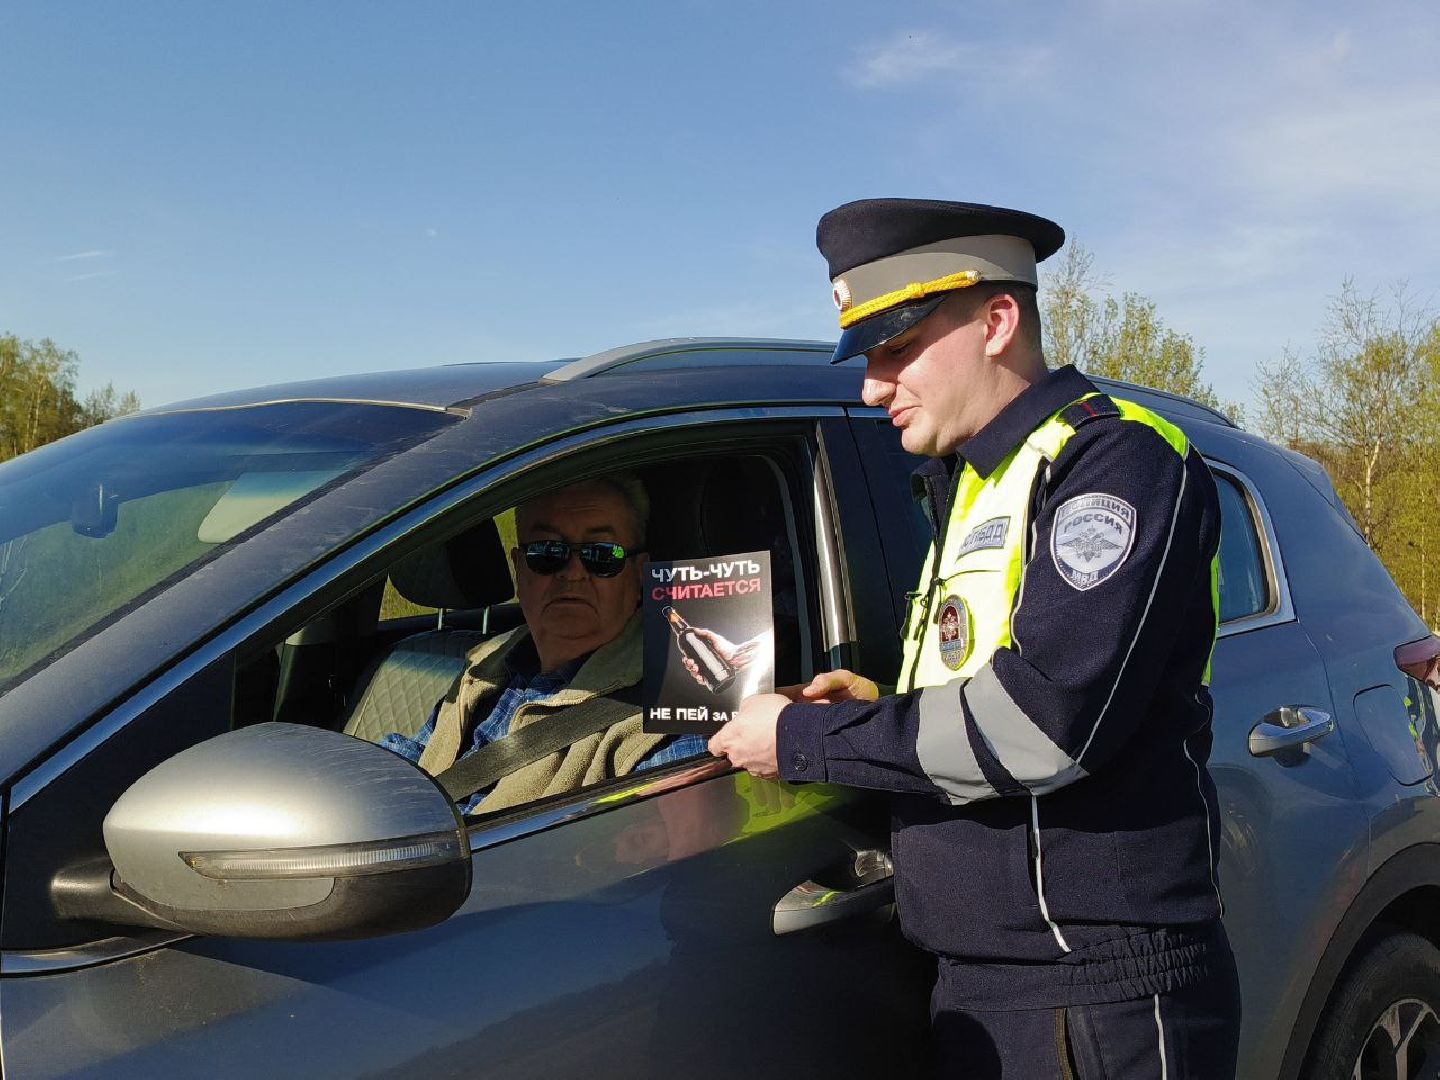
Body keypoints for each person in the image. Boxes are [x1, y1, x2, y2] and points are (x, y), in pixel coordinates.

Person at [710, 199, 1240, 1078]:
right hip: (998, 979)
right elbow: (990, 672)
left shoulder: (1112, 463)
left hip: (1089, 987)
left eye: (894, 348)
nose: (873, 385)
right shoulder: (974, 478)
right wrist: (882, 706)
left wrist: (804, 739)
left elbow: (1043, 722)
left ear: (997, 321)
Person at [382, 475, 706, 814]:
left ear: (639, 573)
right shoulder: (486, 666)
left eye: (601, 555)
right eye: (548, 552)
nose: (572, 573)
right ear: (519, 567)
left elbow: (665, 844)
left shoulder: (672, 703)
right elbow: (414, 757)